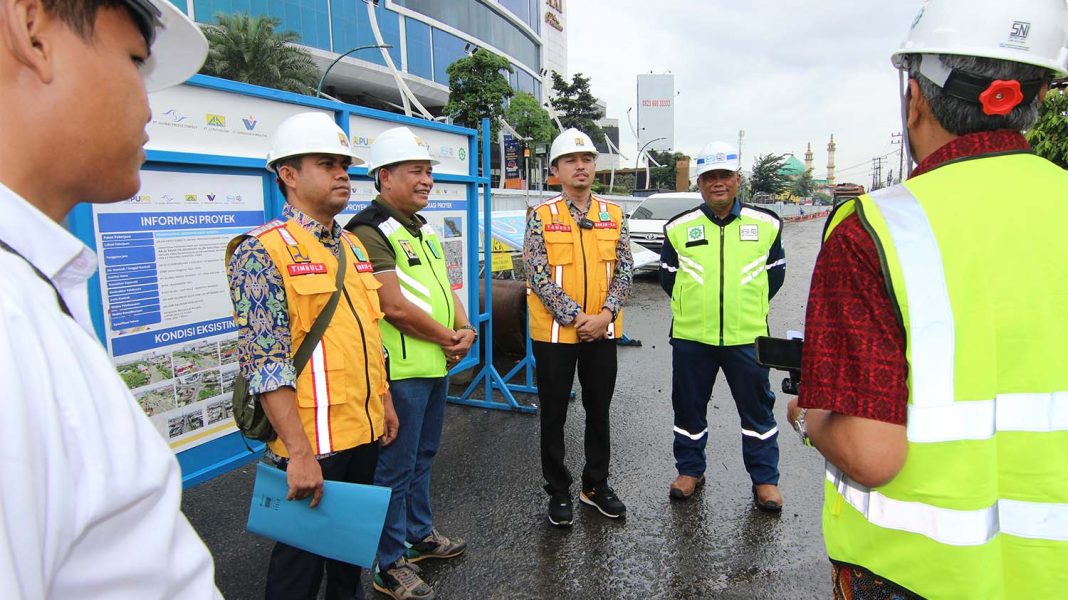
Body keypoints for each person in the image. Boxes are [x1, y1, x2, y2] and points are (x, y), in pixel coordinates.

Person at [786, 1, 1068, 597]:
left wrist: (809, 414)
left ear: (914, 97)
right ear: (1037, 96)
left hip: (917, 576)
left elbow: (870, 451)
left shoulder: (875, 230)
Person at [0, 0, 220, 597]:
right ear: (32, 33)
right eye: (134, 62)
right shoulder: (9, 320)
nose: (149, 106)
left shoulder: (32, 291)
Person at [227, 111, 398, 600]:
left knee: (349, 561)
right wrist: (299, 453)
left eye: (344, 164)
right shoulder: (261, 251)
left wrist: (383, 401)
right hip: (308, 447)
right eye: (327, 163)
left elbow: (368, 333)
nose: (343, 173)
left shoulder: (352, 246)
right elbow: (266, 364)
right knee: (297, 574)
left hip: (361, 434)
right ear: (288, 174)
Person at [346, 126, 473, 600]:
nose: (426, 180)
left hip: (433, 364)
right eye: (415, 171)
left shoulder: (420, 228)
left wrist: (466, 330)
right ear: (384, 176)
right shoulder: (368, 231)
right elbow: (393, 308)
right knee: (393, 471)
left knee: (423, 457)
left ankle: (419, 536)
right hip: (400, 374)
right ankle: (388, 563)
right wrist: (449, 338)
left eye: (428, 171)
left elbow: (445, 287)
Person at [659, 141, 786, 509]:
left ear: (737, 179)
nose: (718, 183)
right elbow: (669, 278)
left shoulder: (766, 224)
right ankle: (690, 470)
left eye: (725, 176)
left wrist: (743, 308)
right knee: (688, 408)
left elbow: (775, 278)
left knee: (758, 410)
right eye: (710, 177)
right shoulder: (679, 228)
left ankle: (765, 479)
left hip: (747, 338)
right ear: (699, 183)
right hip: (691, 337)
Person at [523, 128, 633, 527]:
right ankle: (558, 489)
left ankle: (595, 485)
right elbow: (535, 272)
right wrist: (574, 317)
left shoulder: (613, 214)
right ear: (556, 170)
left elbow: (625, 268)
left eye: (586, 158)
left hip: (601, 331)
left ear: (595, 166)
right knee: (553, 414)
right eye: (571, 160)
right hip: (554, 335)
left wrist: (603, 316)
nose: (580, 165)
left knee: (598, 410)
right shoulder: (542, 215)